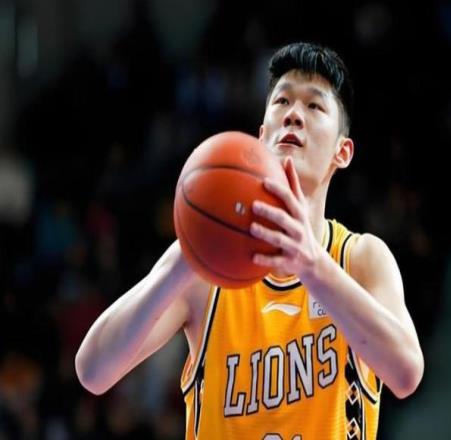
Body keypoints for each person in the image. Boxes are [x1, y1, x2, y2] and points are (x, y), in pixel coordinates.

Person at [75, 42, 424, 439]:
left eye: (314, 106)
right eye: (282, 101)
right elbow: (93, 371)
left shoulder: (360, 258)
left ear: (341, 152)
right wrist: (185, 255)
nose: (293, 114)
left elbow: (406, 373)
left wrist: (311, 265)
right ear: (261, 137)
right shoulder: (206, 272)